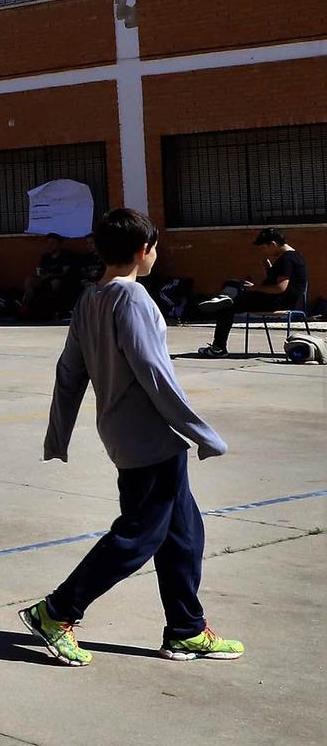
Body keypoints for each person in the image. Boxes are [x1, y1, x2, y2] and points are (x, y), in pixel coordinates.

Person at [22, 207, 244, 667]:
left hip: (124, 434)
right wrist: (201, 433)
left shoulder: (90, 298)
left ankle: (186, 629)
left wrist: (58, 434)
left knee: (184, 534)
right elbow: (154, 373)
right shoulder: (133, 299)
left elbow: (69, 371)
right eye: (155, 247)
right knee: (139, 536)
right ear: (145, 251)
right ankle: (56, 611)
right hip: (149, 439)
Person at [191, 227, 310, 358]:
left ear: (273, 244)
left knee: (226, 307)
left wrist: (254, 288)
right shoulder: (295, 256)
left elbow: (280, 288)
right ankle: (225, 297)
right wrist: (269, 268)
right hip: (278, 300)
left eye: (265, 247)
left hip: (276, 301)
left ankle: (218, 348)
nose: (264, 251)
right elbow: (277, 281)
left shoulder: (287, 259)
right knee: (234, 284)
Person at [21, 233, 82, 320]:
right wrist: (40, 275)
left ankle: (55, 310)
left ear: (59, 244)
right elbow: (42, 272)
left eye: (52, 243)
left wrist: (50, 275)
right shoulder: (45, 257)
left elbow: (65, 272)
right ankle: (29, 305)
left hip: (61, 280)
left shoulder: (66, 255)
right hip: (45, 279)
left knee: (55, 282)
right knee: (29, 280)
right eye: (48, 243)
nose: (50, 245)